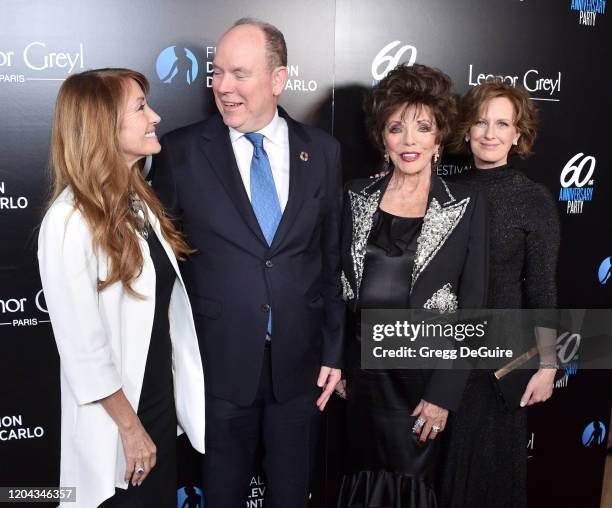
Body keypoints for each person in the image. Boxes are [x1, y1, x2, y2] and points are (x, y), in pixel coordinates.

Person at [152, 18, 344, 508]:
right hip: (217, 369)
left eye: (240, 74)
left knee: (290, 497)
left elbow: (330, 260)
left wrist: (332, 353)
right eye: (217, 74)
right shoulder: (180, 152)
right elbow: (159, 269)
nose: (222, 87)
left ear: (278, 80)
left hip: (299, 370)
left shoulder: (322, 151)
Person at [37, 68, 205, 508]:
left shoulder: (137, 203)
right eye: (141, 107)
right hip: (120, 427)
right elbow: (83, 349)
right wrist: (131, 430)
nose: (155, 115)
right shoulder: (69, 221)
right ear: (103, 126)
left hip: (156, 411)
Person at [337, 64, 488, 508]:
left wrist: (443, 395)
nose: (409, 140)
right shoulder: (355, 194)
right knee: (362, 483)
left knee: (412, 487)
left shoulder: (465, 204)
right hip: (364, 382)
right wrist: (343, 364)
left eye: (423, 128)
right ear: (382, 137)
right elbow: (336, 290)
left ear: (439, 138)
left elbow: (474, 307)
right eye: (396, 128)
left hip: (422, 381)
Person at [440, 79, 560, 508]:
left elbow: (543, 287)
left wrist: (548, 366)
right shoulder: (443, 190)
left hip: (501, 365)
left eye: (502, 123)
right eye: (480, 121)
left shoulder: (534, 199)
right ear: (466, 130)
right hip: (443, 355)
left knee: (492, 479)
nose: (490, 133)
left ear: (518, 134)